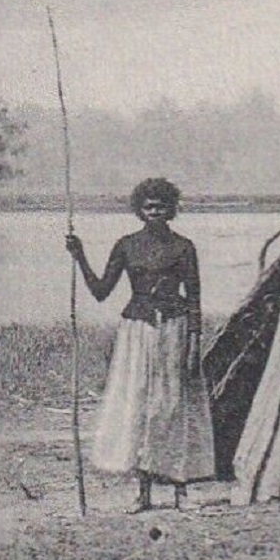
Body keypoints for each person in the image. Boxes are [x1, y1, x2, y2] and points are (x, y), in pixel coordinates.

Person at [65, 177, 215, 512]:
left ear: (171, 210)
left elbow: (194, 299)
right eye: (148, 207)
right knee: (139, 406)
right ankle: (142, 493)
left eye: (161, 207)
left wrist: (194, 343)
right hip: (137, 332)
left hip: (174, 330)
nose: (154, 212)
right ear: (139, 210)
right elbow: (101, 291)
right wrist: (80, 255)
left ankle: (180, 491)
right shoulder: (126, 245)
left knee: (173, 406)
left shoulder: (184, 247)